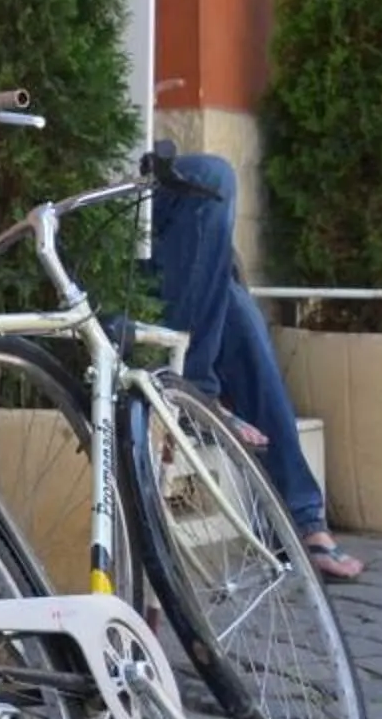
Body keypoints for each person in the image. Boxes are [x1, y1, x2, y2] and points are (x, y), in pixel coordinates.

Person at [147, 151, 365, 581]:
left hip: (155, 249)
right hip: (97, 256)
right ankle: (303, 519)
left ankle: (196, 391)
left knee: (229, 294)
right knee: (209, 181)